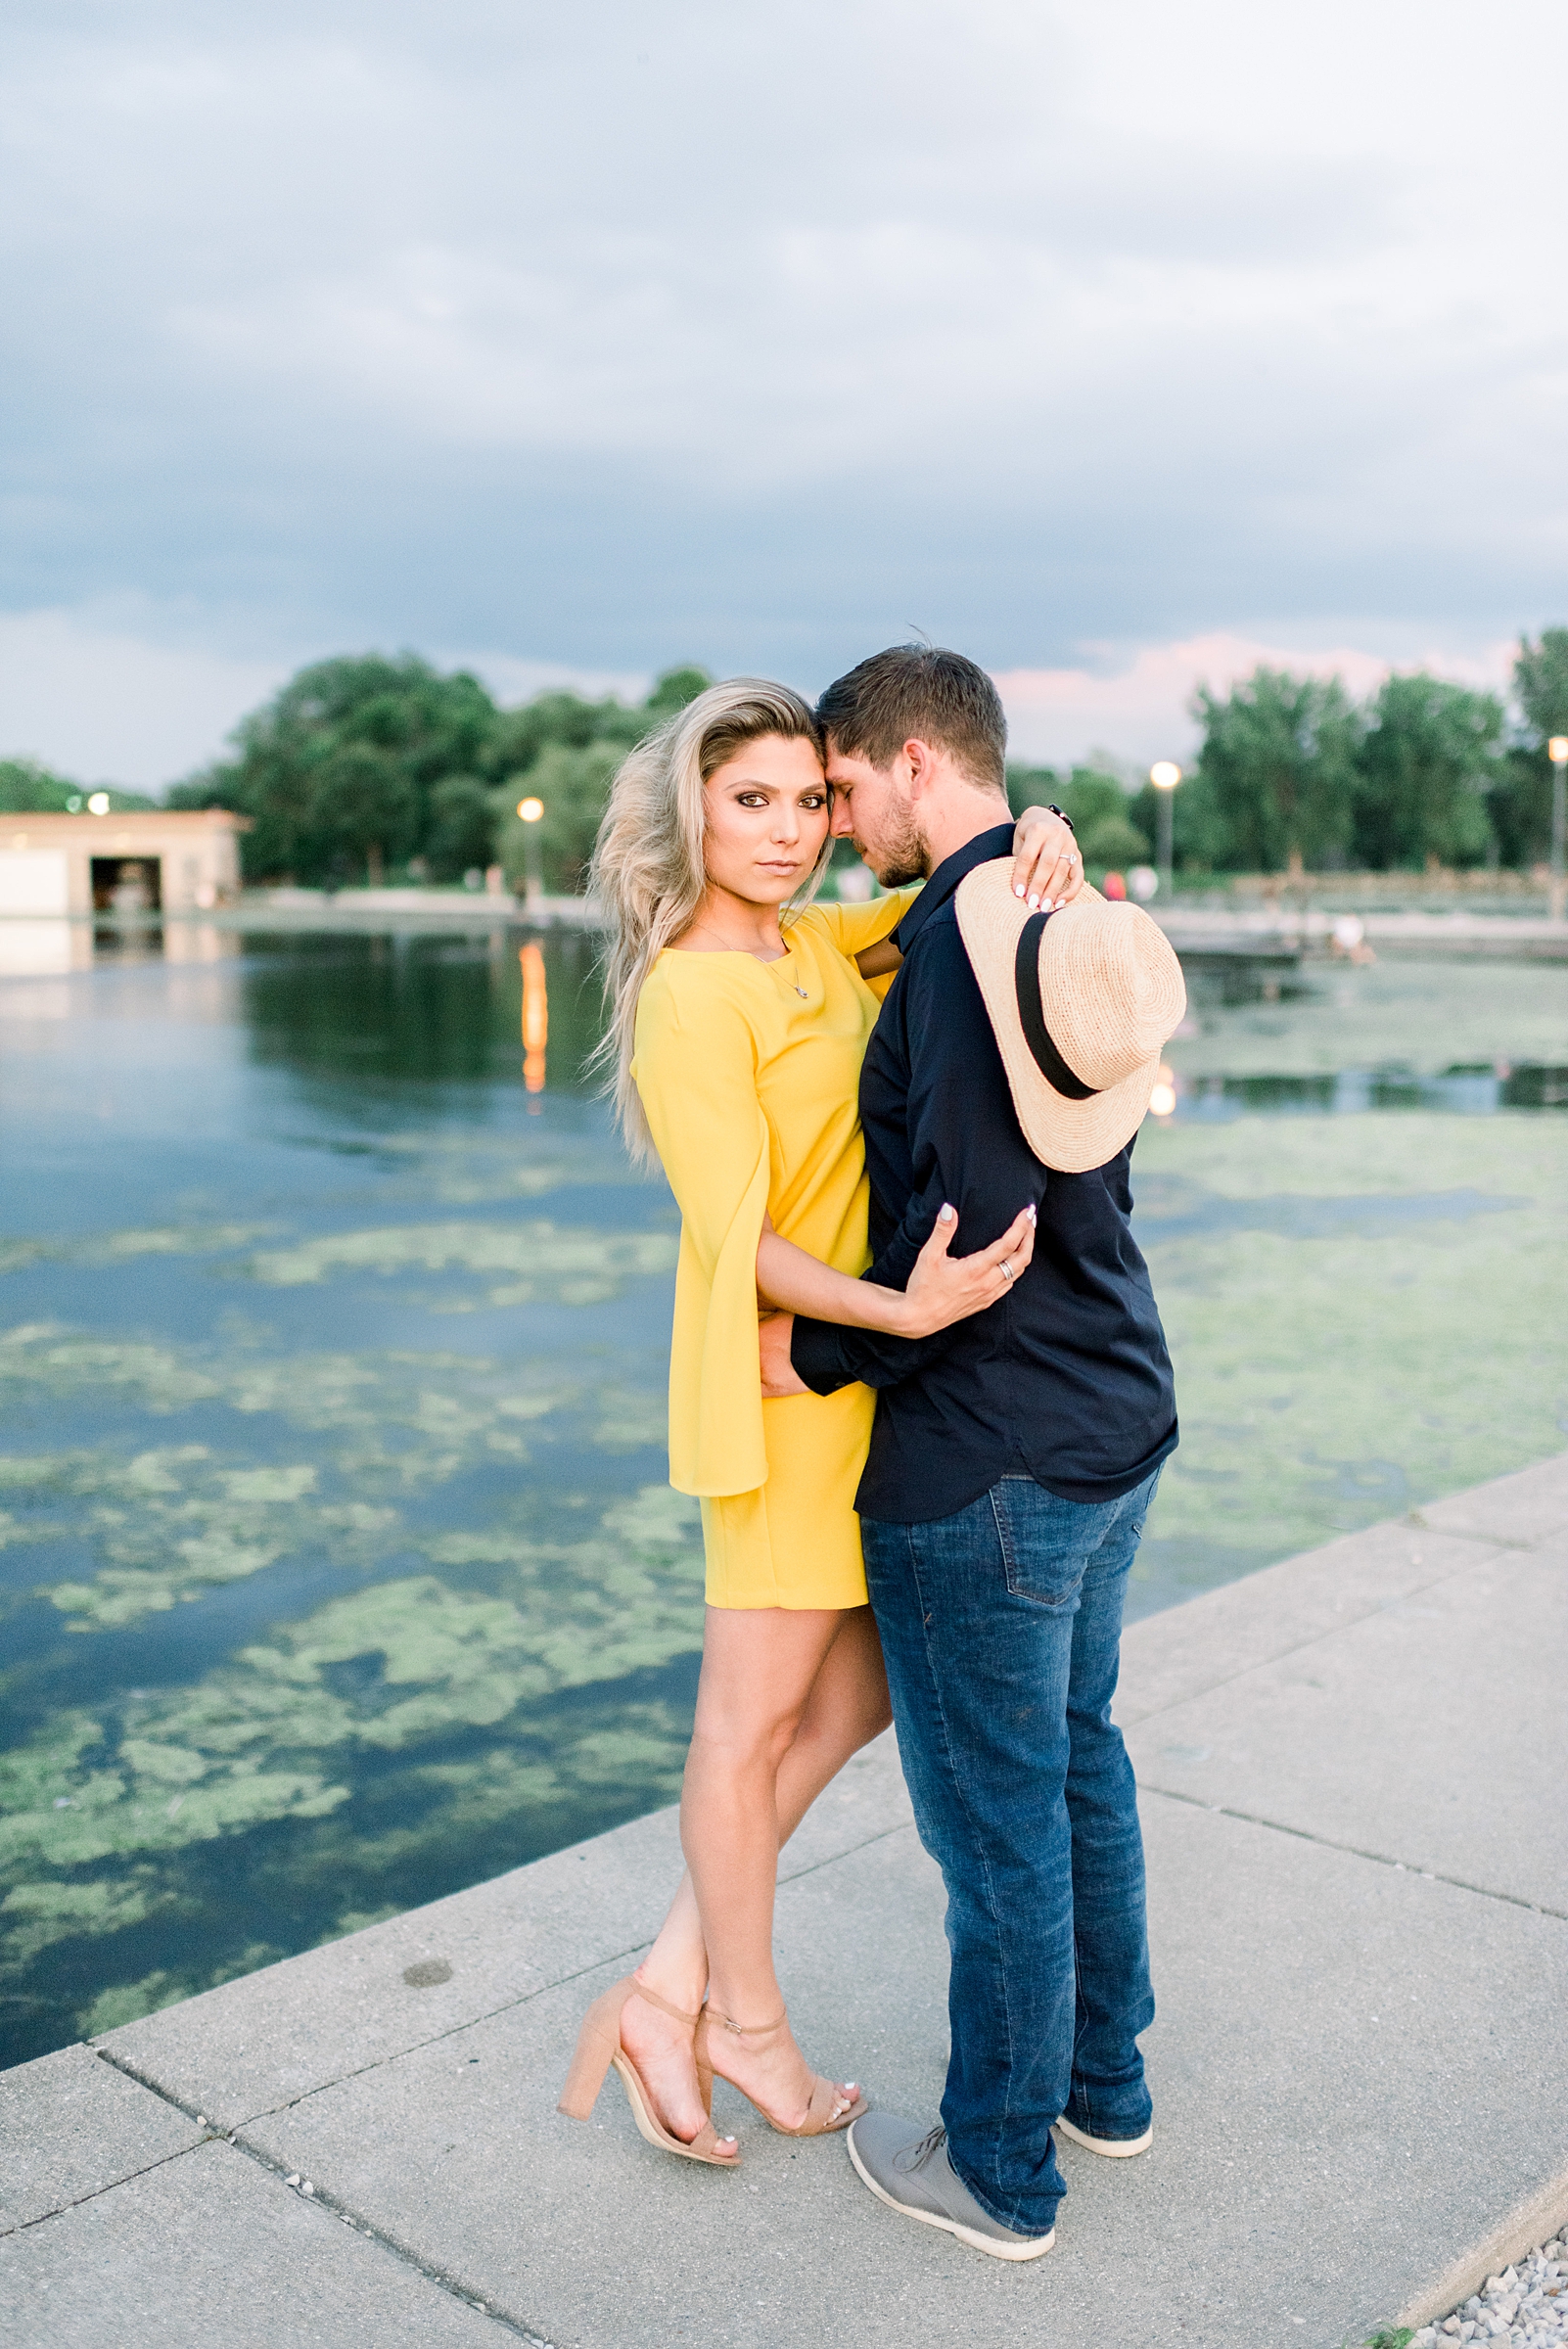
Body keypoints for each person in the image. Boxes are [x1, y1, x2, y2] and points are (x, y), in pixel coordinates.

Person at [557, 676, 1084, 2165]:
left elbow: (952, 892)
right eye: (751, 803)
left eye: (807, 799)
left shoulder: (811, 941)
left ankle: (664, 1993)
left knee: (852, 1698)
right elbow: (735, 1237)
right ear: (689, 813)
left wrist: (1039, 826)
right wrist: (900, 1313)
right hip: (786, 1384)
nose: (791, 833)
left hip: (856, 1391)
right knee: (743, 1729)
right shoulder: (687, 990)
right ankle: (742, 2029)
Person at [760, 645, 1185, 2260]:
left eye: (845, 786)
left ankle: (1000, 2170)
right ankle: (1106, 2085)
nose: (836, 815)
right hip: (1118, 1410)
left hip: (989, 1452)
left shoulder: (950, 946)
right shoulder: (1053, 902)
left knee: (998, 1822)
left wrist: (815, 1348)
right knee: (1078, 1756)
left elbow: (970, 1243)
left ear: (915, 763)